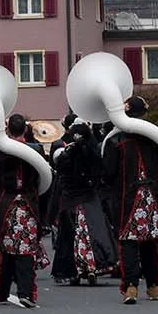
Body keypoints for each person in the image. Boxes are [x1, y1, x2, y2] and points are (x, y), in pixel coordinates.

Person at [0, 113, 47, 308]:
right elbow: (44, 177)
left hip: (5, 205)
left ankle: (2, 292)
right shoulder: (36, 149)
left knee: (6, 250)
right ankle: (25, 293)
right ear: (26, 130)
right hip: (28, 204)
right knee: (26, 250)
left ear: (8, 130)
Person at [104, 95, 158, 304]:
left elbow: (108, 173)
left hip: (128, 197)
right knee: (151, 242)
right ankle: (154, 285)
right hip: (152, 194)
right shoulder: (156, 138)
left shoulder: (116, 141)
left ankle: (131, 286)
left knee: (128, 242)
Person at [49, 122, 116, 286]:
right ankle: (93, 265)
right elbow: (102, 173)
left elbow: (59, 171)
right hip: (89, 197)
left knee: (69, 235)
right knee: (95, 231)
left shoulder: (67, 153)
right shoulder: (93, 152)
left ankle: (73, 271)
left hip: (70, 199)